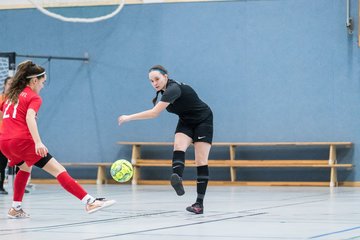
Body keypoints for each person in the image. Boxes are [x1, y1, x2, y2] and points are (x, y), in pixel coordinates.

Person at [0, 60, 116, 218]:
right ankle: (90, 201)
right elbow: (29, 117)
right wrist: (38, 142)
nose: (42, 86)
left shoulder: (10, 96)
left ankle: (15, 208)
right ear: (34, 81)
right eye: (42, 82)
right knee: (58, 170)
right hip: (22, 141)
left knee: (25, 168)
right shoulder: (34, 97)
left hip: (4, 142)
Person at [118, 65, 213, 214]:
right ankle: (177, 178)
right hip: (186, 121)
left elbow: (154, 113)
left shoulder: (173, 89)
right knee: (178, 145)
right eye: (151, 81)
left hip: (203, 120)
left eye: (157, 79)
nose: (154, 83)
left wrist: (129, 117)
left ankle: (199, 204)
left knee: (200, 161)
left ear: (166, 76)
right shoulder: (163, 91)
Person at [0, 76, 13, 194]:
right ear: (4, 85)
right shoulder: (1, 99)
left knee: (5, 162)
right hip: (1, 134)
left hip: (10, 136)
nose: (10, 85)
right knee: (1, 162)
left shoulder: (14, 100)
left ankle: (2, 186)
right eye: (9, 83)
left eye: (12, 83)